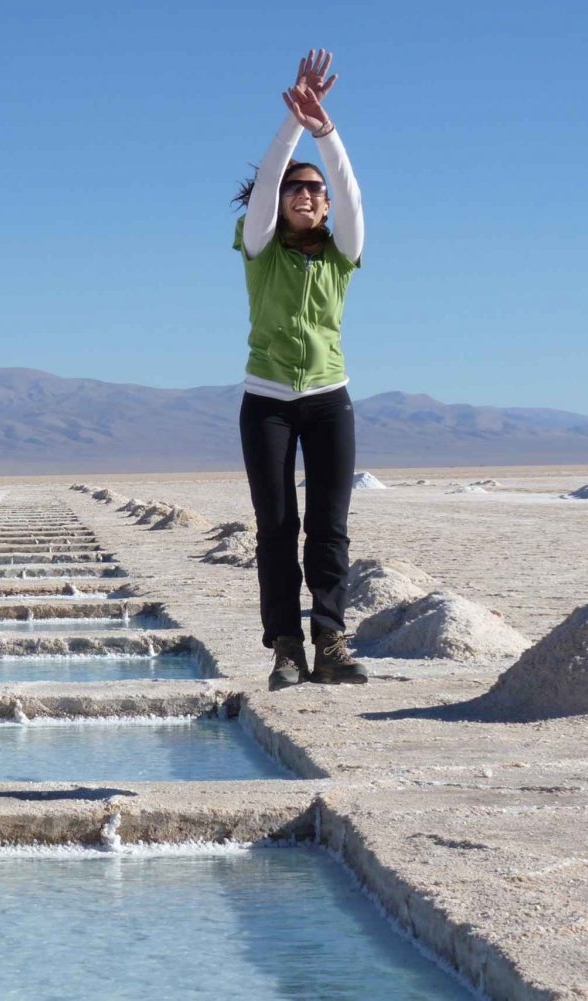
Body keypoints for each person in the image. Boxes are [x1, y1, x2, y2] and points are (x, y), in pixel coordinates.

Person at [232, 50, 367, 691]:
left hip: (328, 400)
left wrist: (326, 130)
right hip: (268, 403)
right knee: (277, 527)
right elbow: (263, 191)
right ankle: (286, 647)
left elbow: (352, 192)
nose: (308, 195)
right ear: (281, 199)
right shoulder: (259, 249)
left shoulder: (343, 253)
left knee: (330, 526)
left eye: (315, 189)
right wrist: (291, 125)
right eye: (297, 188)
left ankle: (330, 642)